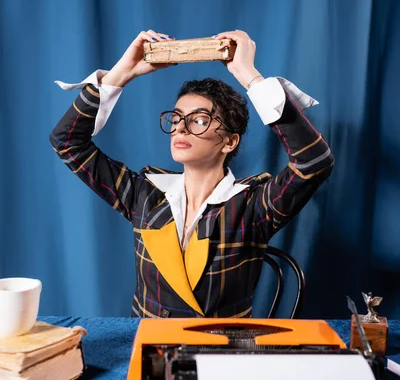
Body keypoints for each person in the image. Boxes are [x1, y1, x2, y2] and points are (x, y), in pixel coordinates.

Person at [50, 29, 334, 318]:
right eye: (176, 118)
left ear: (230, 141)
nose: (181, 128)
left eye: (199, 119)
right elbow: (67, 142)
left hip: (223, 353)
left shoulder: (252, 206)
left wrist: (248, 75)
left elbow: (314, 161)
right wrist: (123, 73)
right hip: (150, 349)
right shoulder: (144, 195)